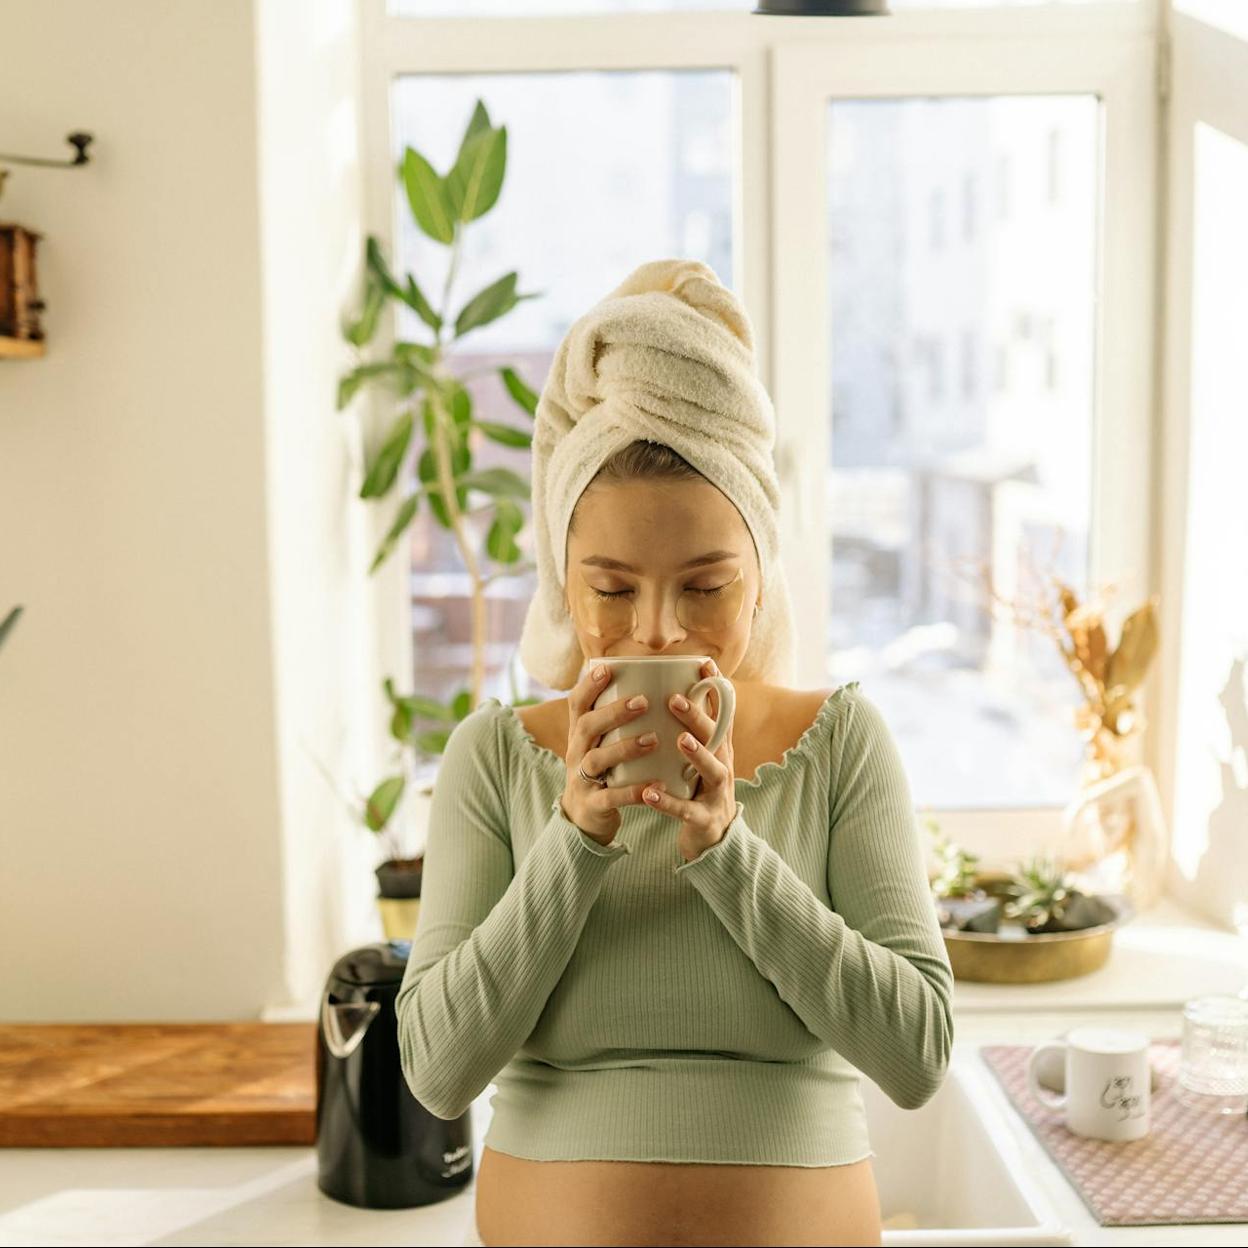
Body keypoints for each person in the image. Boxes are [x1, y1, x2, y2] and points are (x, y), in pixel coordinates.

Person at [396, 259, 954, 1247]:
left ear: (759, 583)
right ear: (564, 584)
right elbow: (437, 1069)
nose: (657, 632)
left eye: (704, 587)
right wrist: (574, 838)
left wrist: (728, 851)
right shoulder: (494, 760)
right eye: (612, 589)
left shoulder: (842, 743)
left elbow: (916, 1056)